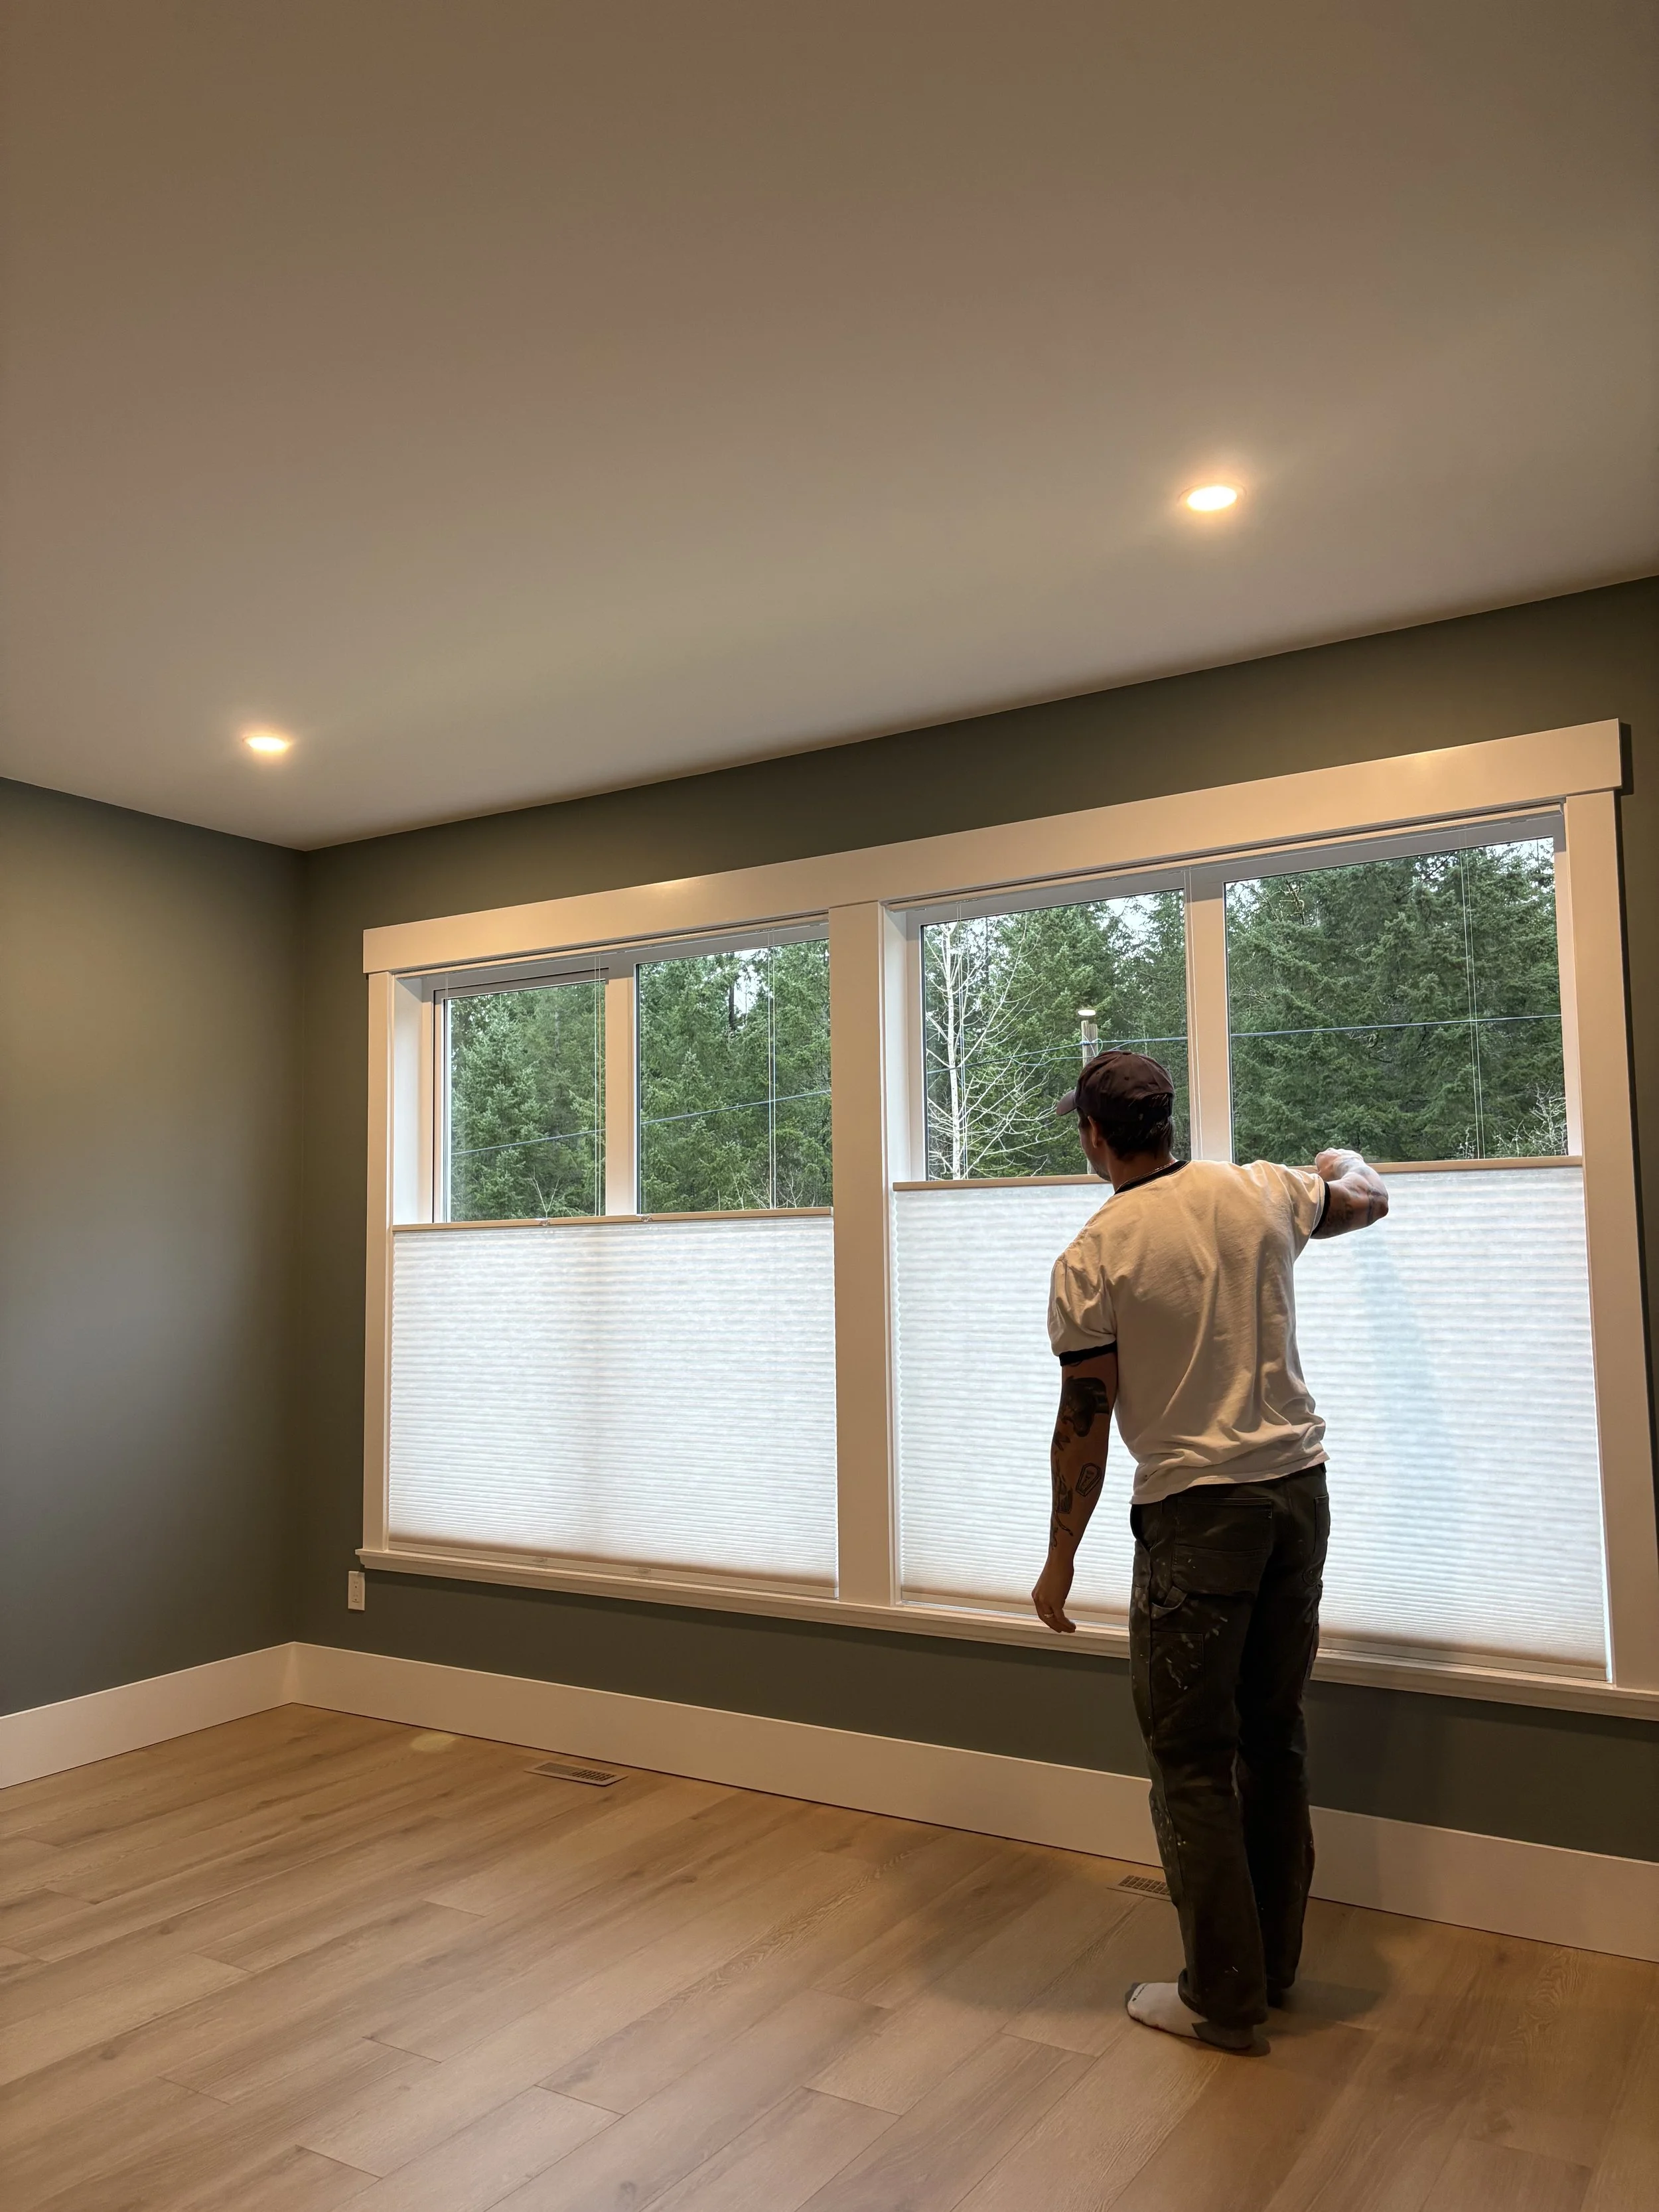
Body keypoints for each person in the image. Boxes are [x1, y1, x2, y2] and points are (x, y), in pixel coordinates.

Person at [1031, 1047, 1388, 2057]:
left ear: (1095, 1135)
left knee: (1190, 1761)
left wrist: (1059, 1561)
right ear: (1166, 1122)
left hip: (1199, 1519)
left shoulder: (1094, 1255)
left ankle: (1220, 2001)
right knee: (1271, 1737)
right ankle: (1269, 1971)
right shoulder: (1266, 1192)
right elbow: (1364, 1197)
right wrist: (1340, 1155)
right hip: (1297, 1499)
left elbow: (1085, 1425)